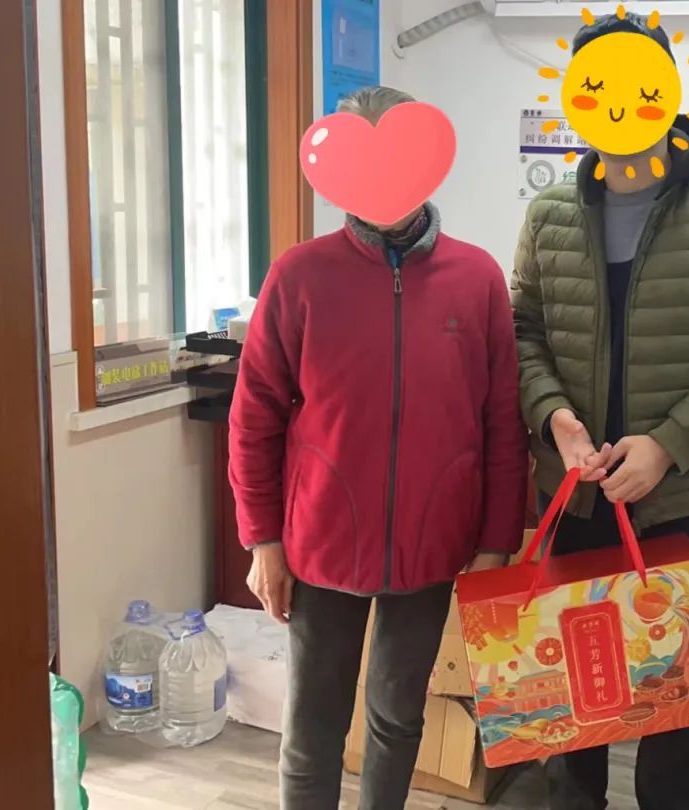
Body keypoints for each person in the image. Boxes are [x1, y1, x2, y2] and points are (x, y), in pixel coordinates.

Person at [511, 13, 689, 810]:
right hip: (572, 499)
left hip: (676, 506)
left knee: (672, 708)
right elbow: (523, 333)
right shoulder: (549, 214)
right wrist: (553, 417)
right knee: (577, 699)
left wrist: (668, 446)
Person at [228, 86, 529, 810]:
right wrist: (263, 540)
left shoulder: (477, 278)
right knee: (313, 728)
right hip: (322, 543)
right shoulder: (300, 275)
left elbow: (501, 421)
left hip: (434, 543)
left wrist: (496, 543)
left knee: (397, 719)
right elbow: (253, 418)